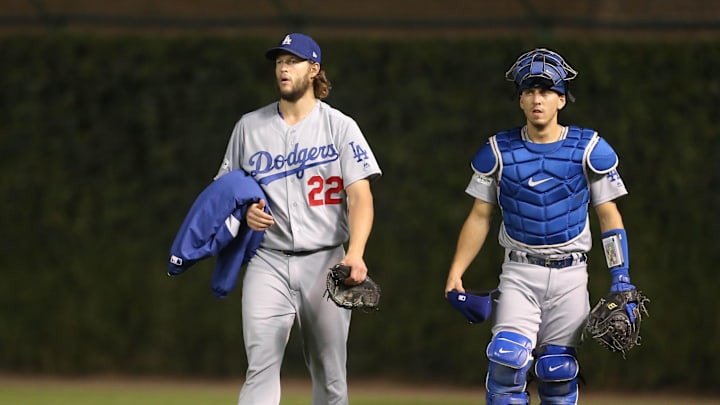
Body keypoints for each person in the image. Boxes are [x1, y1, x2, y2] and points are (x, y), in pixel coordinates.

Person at [444, 48, 638, 404]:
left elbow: (609, 215)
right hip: (519, 272)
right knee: (506, 363)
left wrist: (620, 276)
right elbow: (479, 216)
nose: (538, 99)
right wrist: (456, 272)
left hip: (571, 275)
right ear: (520, 100)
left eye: (547, 91)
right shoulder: (498, 151)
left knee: (558, 373)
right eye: (530, 91)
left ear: (561, 100)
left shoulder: (589, 148)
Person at [215, 33, 382, 405]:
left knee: (331, 376)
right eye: (279, 61)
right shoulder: (249, 127)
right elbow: (224, 193)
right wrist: (245, 213)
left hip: (325, 262)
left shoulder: (340, 127)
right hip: (268, 261)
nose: (284, 68)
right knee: (260, 368)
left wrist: (355, 253)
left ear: (314, 69)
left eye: (293, 60)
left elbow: (361, 197)